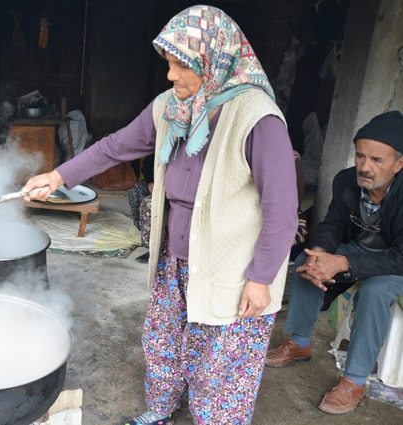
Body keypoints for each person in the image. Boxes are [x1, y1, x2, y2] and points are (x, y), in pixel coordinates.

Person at [23, 5, 298, 425]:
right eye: (168, 63)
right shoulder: (171, 106)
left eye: (180, 65)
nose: (170, 75)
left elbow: (282, 210)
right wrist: (58, 175)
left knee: (219, 363)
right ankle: (161, 410)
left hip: (233, 267)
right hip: (177, 257)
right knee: (163, 340)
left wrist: (261, 278)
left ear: (214, 59)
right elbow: (116, 146)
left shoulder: (257, 117)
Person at [265, 110, 403, 415]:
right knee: (305, 262)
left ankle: (354, 380)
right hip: (360, 247)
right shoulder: (346, 181)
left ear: (399, 163)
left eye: (377, 160)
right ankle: (299, 341)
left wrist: (343, 262)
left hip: (396, 261)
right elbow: (332, 226)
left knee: (375, 291)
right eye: (360, 156)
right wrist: (320, 253)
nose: (365, 167)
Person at [127, 154, 154, 263]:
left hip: (179, 190)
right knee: (136, 190)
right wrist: (151, 181)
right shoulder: (166, 142)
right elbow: (148, 164)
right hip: (159, 183)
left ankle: (157, 248)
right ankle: (147, 239)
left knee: (149, 203)